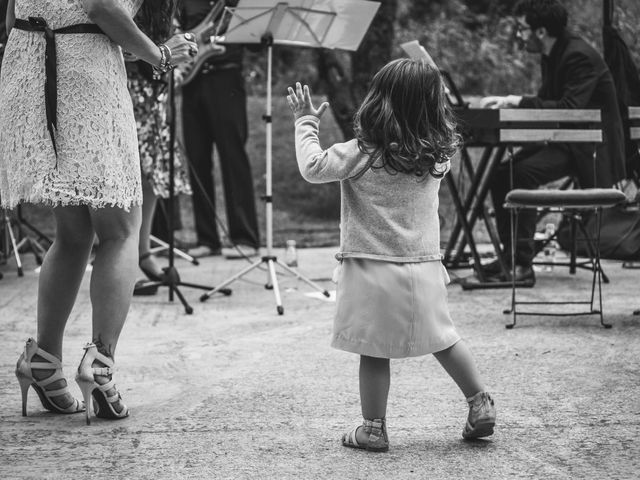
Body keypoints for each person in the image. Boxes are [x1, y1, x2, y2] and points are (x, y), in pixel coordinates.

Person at [1, 0, 196, 423]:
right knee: (122, 230)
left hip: (30, 65)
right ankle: (101, 365)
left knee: (72, 232)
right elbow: (100, 5)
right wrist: (160, 54)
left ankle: (43, 362)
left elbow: (16, 14)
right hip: (81, 78)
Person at [287, 60, 497, 452]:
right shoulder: (436, 155)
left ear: (377, 101)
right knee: (445, 339)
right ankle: (480, 402)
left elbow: (312, 167)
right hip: (425, 266)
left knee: (374, 350)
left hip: (371, 267)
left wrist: (305, 122)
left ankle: (374, 429)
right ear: (433, 108)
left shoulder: (361, 154)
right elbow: (429, 121)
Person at [480, 0, 626, 284]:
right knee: (501, 175)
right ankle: (511, 259)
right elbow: (552, 106)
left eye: (523, 29)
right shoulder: (555, 54)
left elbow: (569, 109)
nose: (519, 36)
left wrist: (517, 102)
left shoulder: (577, 55)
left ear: (541, 32)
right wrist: (515, 105)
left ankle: (521, 266)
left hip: (589, 149)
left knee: (519, 173)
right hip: (566, 140)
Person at [179, 0, 260, 259]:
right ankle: (207, 238)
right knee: (197, 159)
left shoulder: (238, 3)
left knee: (233, 156)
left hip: (227, 80)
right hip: (192, 82)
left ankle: (244, 237)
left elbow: (256, 44)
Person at [125, 7, 192, 295]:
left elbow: (173, 53)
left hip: (154, 94)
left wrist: (186, 53)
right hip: (124, 87)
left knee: (150, 176)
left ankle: (142, 251)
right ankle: (119, 257)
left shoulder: (165, 6)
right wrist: (160, 53)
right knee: (128, 173)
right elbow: (116, 39)